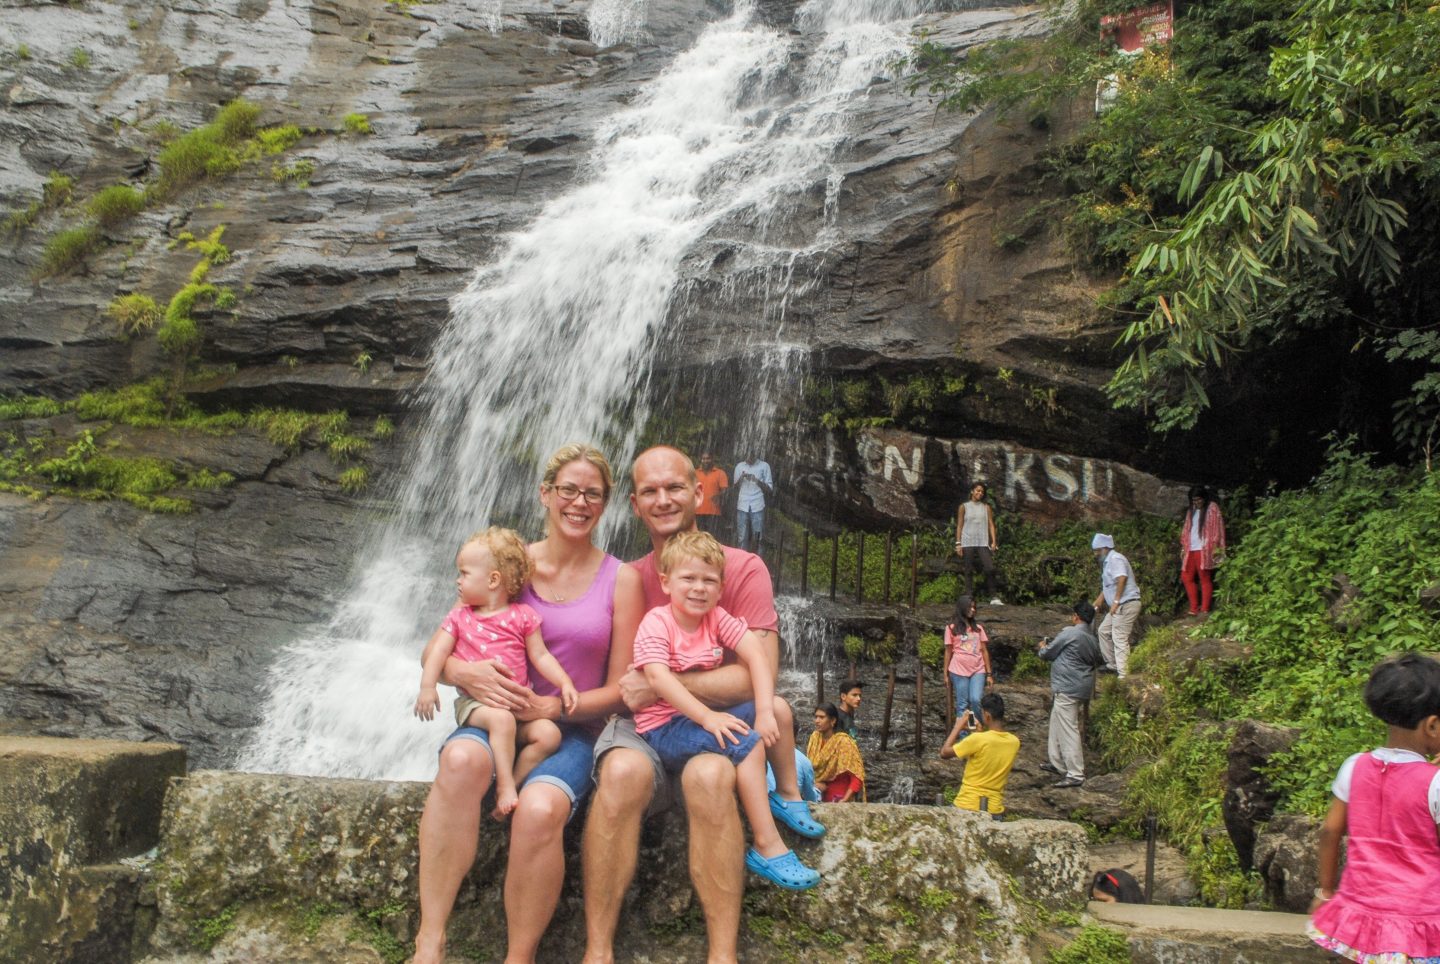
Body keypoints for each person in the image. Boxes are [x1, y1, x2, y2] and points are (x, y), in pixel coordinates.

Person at [412, 444, 644, 964]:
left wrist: (549, 710)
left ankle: (519, 957)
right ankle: (430, 941)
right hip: (495, 714)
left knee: (539, 810)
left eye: (592, 494)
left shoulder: (621, 578)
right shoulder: (508, 563)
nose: (578, 503)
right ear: (545, 494)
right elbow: (439, 646)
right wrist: (459, 672)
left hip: (574, 731)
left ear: (605, 504)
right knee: (460, 759)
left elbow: (623, 691)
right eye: (568, 490)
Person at [582, 446, 785, 964]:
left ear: (699, 493)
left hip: (700, 725)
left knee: (711, 776)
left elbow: (757, 672)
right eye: (650, 490)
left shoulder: (739, 568)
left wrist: (664, 683)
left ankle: (723, 955)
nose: (664, 499)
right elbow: (620, 684)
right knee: (622, 772)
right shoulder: (627, 576)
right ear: (633, 503)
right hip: (640, 727)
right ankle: (597, 952)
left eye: (675, 487)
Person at [632, 530, 822, 890]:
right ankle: (767, 846)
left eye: (709, 580)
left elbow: (755, 655)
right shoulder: (657, 622)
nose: (699, 588)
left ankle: (787, 795)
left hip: (700, 716)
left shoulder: (716, 617)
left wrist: (764, 710)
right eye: (688, 578)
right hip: (665, 727)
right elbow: (658, 679)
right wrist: (708, 717)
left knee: (780, 709)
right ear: (666, 582)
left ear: (721, 588)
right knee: (747, 743)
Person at [413, 527, 580, 820]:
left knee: (549, 735)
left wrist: (565, 681)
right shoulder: (460, 616)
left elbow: (540, 656)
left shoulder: (523, 616)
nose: (457, 580)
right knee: (501, 720)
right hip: (477, 706)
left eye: (464, 573)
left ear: (493, 580)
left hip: (518, 708)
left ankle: (513, 781)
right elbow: (436, 653)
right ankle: (503, 787)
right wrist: (428, 687)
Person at [1308, 653, 1440, 963]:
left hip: (1359, 916)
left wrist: (1325, 891)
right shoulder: (1434, 784)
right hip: (1419, 923)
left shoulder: (1355, 767)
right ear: (1432, 725)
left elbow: (1330, 831)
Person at [1037, 601, 1102, 789]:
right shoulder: (1091, 638)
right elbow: (1098, 660)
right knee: (1057, 722)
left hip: (1067, 687)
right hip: (1081, 687)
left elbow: (1048, 653)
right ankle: (1057, 762)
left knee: (1068, 728)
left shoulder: (1070, 632)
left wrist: (1042, 646)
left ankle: (1075, 773)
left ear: (1076, 616)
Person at [939, 692, 1020, 818]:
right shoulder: (1014, 742)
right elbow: (989, 747)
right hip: (995, 809)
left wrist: (958, 726)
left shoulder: (978, 739)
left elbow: (944, 752)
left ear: (987, 716)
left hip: (967, 806)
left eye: (982, 713)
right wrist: (977, 732)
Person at [1091, 533, 1142, 679]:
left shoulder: (1116, 558)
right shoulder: (1107, 562)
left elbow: (1122, 579)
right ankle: (1112, 665)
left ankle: (1124, 674)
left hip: (1126, 604)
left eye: (1097, 550)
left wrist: (1115, 602)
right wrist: (1099, 601)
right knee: (1103, 631)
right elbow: (1108, 586)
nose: (1096, 554)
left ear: (1105, 548)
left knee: (1119, 637)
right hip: (1118, 606)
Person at [944, 596, 993, 731]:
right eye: (970, 607)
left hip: (978, 669)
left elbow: (984, 651)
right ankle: (966, 735)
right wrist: (945, 674)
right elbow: (948, 652)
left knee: (975, 700)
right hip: (958, 670)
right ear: (962, 608)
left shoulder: (978, 629)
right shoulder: (951, 628)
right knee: (963, 705)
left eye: (974, 607)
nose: (973, 610)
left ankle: (979, 729)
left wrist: (989, 674)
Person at [1179, 486, 1226, 616]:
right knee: (1186, 576)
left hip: (1204, 548)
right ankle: (1194, 608)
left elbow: (1217, 529)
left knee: (1204, 577)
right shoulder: (1192, 510)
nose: (1196, 503)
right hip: (1191, 548)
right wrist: (1183, 547)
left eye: (1198, 500)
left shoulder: (1212, 508)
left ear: (1204, 498)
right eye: (1194, 500)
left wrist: (1216, 548)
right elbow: (1187, 529)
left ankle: (1204, 609)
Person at [807, 703, 866, 802]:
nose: (817, 721)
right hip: (816, 792)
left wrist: (844, 800)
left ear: (833, 721)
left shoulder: (844, 742)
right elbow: (810, 770)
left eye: (821, 717)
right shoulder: (814, 738)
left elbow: (857, 776)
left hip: (839, 798)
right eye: (816, 717)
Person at [954, 482, 1001, 605]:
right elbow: (959, 525)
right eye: (977, 490)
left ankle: (994, 597)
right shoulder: (964, 507)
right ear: (972, 491)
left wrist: (994, 541)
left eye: (982, 492)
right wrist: (958, 543)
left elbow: (991, 524)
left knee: (989, 568)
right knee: (968, 569)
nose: (979, 493)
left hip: (982, 541)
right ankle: (969, 596)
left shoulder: (986, 507)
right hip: (967, 541)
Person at [731, 451, 773, 553]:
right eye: (747, 457)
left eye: (750, 457)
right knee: (741, 537)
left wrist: (757, 480)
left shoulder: (764, 466)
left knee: (759, 537)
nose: (748, 459)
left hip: (757, 505)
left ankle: (758, 562)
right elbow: (734, 487)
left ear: (755, 455)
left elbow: (770, 489)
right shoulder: (739, 466)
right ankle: (742, 562)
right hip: (742, 505)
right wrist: (741, 478)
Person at [694, 451, 729, 539]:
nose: (705, 461)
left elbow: (725, 490)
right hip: (697, 511)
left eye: (708, 459)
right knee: (697, 538)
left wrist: (718, 495)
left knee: (713, 538)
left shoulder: (720, 473)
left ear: (712, 459)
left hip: (714, 512)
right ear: (701, 460)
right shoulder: (694, 473)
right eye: (703, 459)